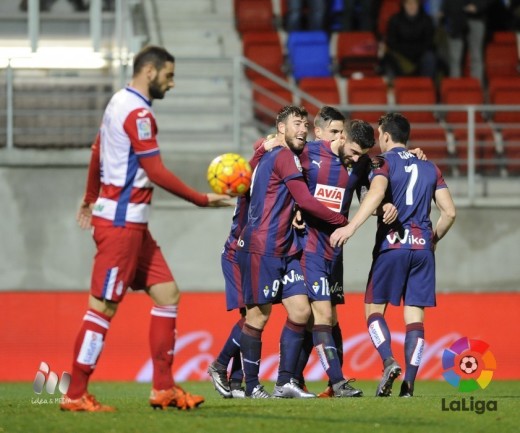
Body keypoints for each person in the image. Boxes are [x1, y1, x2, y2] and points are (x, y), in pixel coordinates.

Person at [60, 45, 231, 412]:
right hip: (121, 225)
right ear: (150, 72)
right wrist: (200, 199)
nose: (172, 84)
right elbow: (154, 172)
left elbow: (96, 150)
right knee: (102, 308)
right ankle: (75, 394)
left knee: (167, 294)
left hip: (132, 225)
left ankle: (163, 389)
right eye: (168, 76)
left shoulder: (118, 101)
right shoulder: (138, 113)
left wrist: (90, 196)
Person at [330, 112, 457, 397]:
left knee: (374, 310)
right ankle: (409, 385)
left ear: (385, 135)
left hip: (393, 245)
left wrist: (352, 226)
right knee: (415, 318)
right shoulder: (430, 166)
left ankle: (388, 360)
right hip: (423, 248)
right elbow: (449, 212)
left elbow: (375, 193)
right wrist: (432, 238)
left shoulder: (382, 163)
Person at [236, 105, 349, 398]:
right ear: (281, 128)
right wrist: (342, 221)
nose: (303, 129)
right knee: (257, 317)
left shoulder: (290, 153)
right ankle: (248, 384)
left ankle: (285, 381)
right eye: (296, 124)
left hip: (287, 249)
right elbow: (306, 199)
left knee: (301, 311)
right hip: (264, 246)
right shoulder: (284, 155)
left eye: (305, 124)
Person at [207, 135, 281, 399]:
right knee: (254, 317)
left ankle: (237, 381)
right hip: (237, 252)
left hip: (249, 251)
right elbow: (243, 176)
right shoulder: (253, 176)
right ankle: (220, 366)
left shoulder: (269, 172)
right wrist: (261, 150)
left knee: (253, 318)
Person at [381, 0, 438, 80]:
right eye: (409, 3)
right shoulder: (395, 20)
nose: (412, 6)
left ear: (418, 5)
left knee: (430, 58)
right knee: (388, 59)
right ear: (404, 5)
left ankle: (426, 86)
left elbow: (429, 42)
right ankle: (393, 87)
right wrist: (405, 52)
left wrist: (416, 52)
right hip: (400, 55)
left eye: (414, 3)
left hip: (420, 54)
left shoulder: (427, 20)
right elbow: (391, 42)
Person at [440, 0, 494, 84]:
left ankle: (476, 88)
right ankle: (454, 89)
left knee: (476, 56)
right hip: (456, 18)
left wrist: (478, 5)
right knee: (454, 58)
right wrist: (444, 9)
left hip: (476, 18)